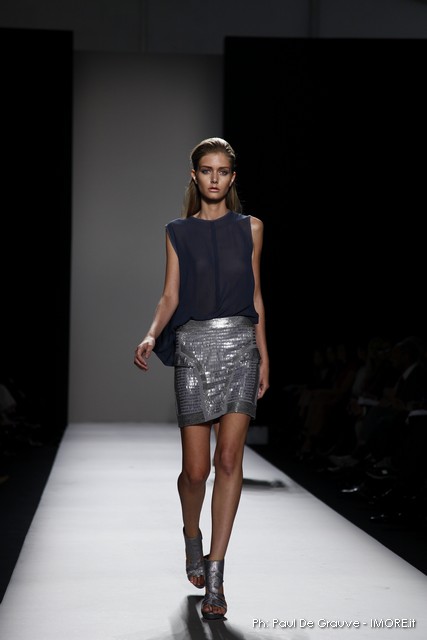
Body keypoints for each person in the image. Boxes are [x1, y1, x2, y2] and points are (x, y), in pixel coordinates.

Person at [133, 137, 269, 621]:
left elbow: (256, 296)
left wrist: (264, 356)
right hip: (192, 346)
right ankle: (192, 535)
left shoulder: (251, 228)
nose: (215, 178)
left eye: (223, 171)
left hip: (240, 346)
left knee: (228, 460)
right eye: (207, 170)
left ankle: (216, 576)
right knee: (196, 471)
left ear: (232, 178)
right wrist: (151, 334)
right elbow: (169, 296)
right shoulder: (177, 231)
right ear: (194, 175)